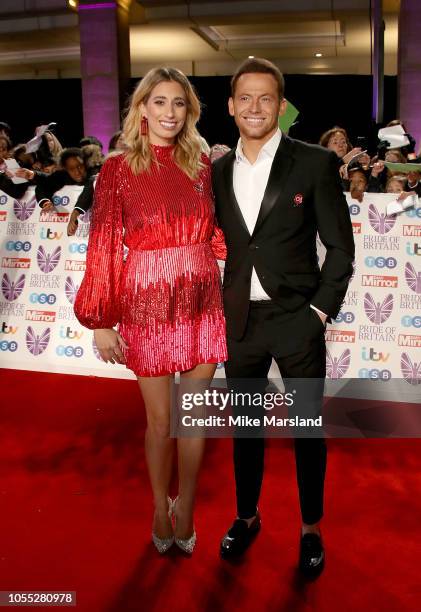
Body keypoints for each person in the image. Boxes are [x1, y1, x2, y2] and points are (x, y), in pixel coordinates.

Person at [74, 67, 227, 555]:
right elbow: (102, 245)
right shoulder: (117, 170)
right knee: (160, 422)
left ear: (190, 111)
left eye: (179, 103)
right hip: (147, 300)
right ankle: (161, 504)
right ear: (141, 109)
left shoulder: (203, 164)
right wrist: (101, 321)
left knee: (192, 417)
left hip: (203, 294)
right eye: (159, 102)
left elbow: (220, 230)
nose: (169, 113)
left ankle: (189, 510)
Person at [212, 58, 354, 576]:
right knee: (245, 428)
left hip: (298, 320)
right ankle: (247, 516)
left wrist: (319, 311)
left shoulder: (313, 163)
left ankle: (310, 527)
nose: (254, 107)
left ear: (281, 105)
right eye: (245, 98)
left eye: (265, 98)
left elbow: (340, 247)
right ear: (230, 106)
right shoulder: (217, 170)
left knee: (307, 431)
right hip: (240, 324)